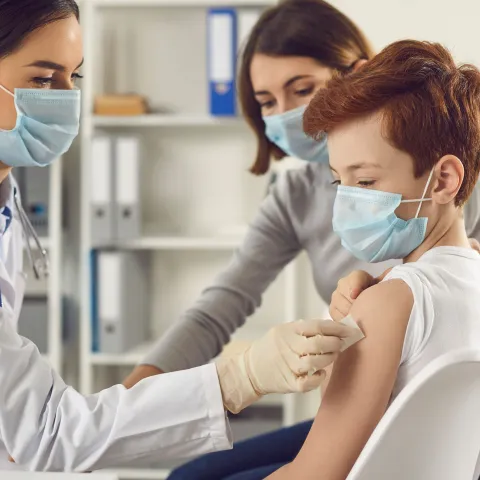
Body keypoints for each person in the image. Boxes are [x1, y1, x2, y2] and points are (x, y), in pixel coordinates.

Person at [121, 2, 480, 479]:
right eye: (267, 101)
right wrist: (123, 411)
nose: (288, 114)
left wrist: (394, 292)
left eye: (302, 90)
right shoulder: (294, 196)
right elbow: (220, 305)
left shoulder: (440, 176)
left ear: (355, 75)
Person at [0, 0, 357, 473]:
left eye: (73, 79)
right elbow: (218, 308)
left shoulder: (431, 185)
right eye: (44, 80)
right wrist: (222, 380)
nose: (66, 100)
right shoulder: (296, 194)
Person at [265, 38, 480, 479]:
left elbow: (315, 473)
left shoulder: (389, 303)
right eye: (338, 181)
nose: (346, 202)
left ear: (444, 179)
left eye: (364, 181)